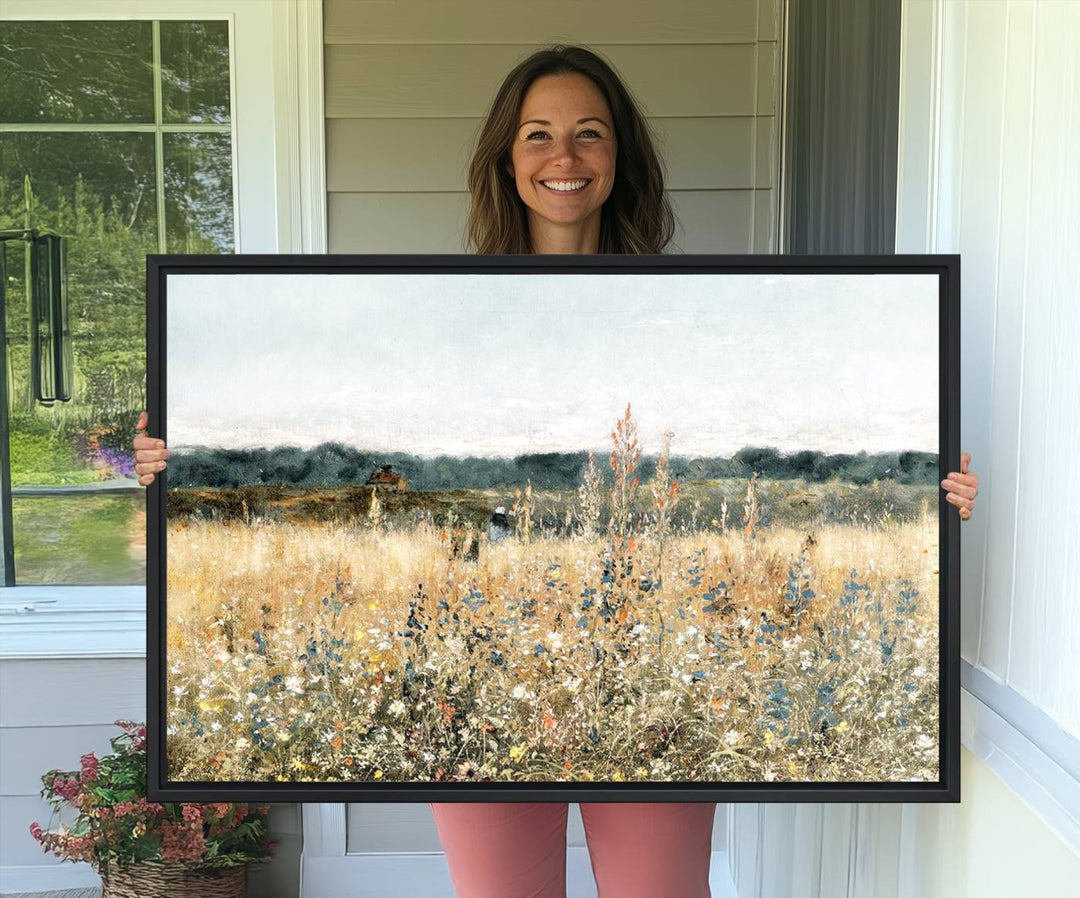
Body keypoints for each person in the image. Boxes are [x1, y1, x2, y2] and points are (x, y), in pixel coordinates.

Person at [133, 44, 980, 898]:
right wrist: (180, 459)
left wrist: (931, 497)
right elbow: (348, 435)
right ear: (507, 158)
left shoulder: (686, 315)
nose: (563, 157)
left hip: (648, 667)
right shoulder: (445, 318)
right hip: (475, 670)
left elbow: (758, 433)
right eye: (538, 135)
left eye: (589, 134)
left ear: (620, 159)